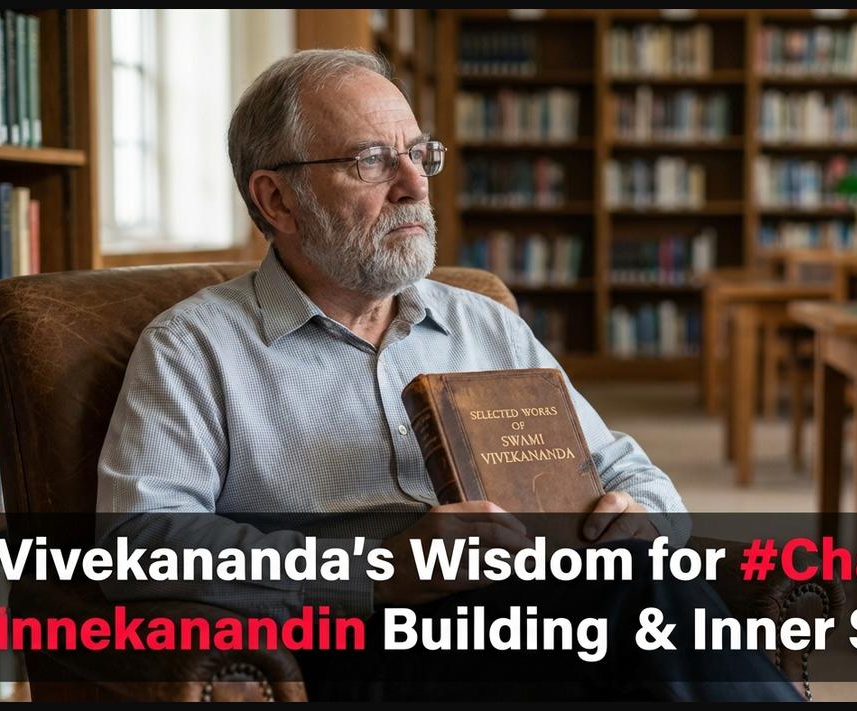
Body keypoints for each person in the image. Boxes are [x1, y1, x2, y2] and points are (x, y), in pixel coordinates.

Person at [95, 48, 799, 702]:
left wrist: (643, 516)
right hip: (360, 642)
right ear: (277, 200)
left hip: (536, 613)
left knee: (640, 574)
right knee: (638, 601)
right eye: (371, 161)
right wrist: (381, 568)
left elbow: (627, 471)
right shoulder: (195, 346)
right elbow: (140, 542)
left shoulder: (481, 323)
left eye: (418, 154)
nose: (413, 185)